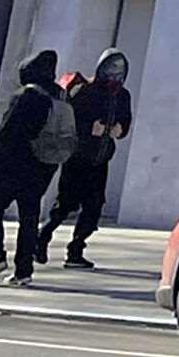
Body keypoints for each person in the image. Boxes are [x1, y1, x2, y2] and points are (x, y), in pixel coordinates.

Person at [0, 50, 72, 286]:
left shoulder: (26, 97)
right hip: (41, 169)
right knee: (29, 218)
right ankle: (23, 271)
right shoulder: (58, 97)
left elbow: (7, 135)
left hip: (12, 167)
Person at [41, 50, 135, 270]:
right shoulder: (85, 91)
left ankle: (76, 249)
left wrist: (119, 130)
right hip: (78, 156)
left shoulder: (122, 96)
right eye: (110, 69)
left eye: (119, 72)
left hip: (100, 158)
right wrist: (89, 128)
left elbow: (125, 121)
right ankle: (42, 237)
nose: (114, 76)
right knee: (66, 204)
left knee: (94, 205)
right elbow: (69, 121)